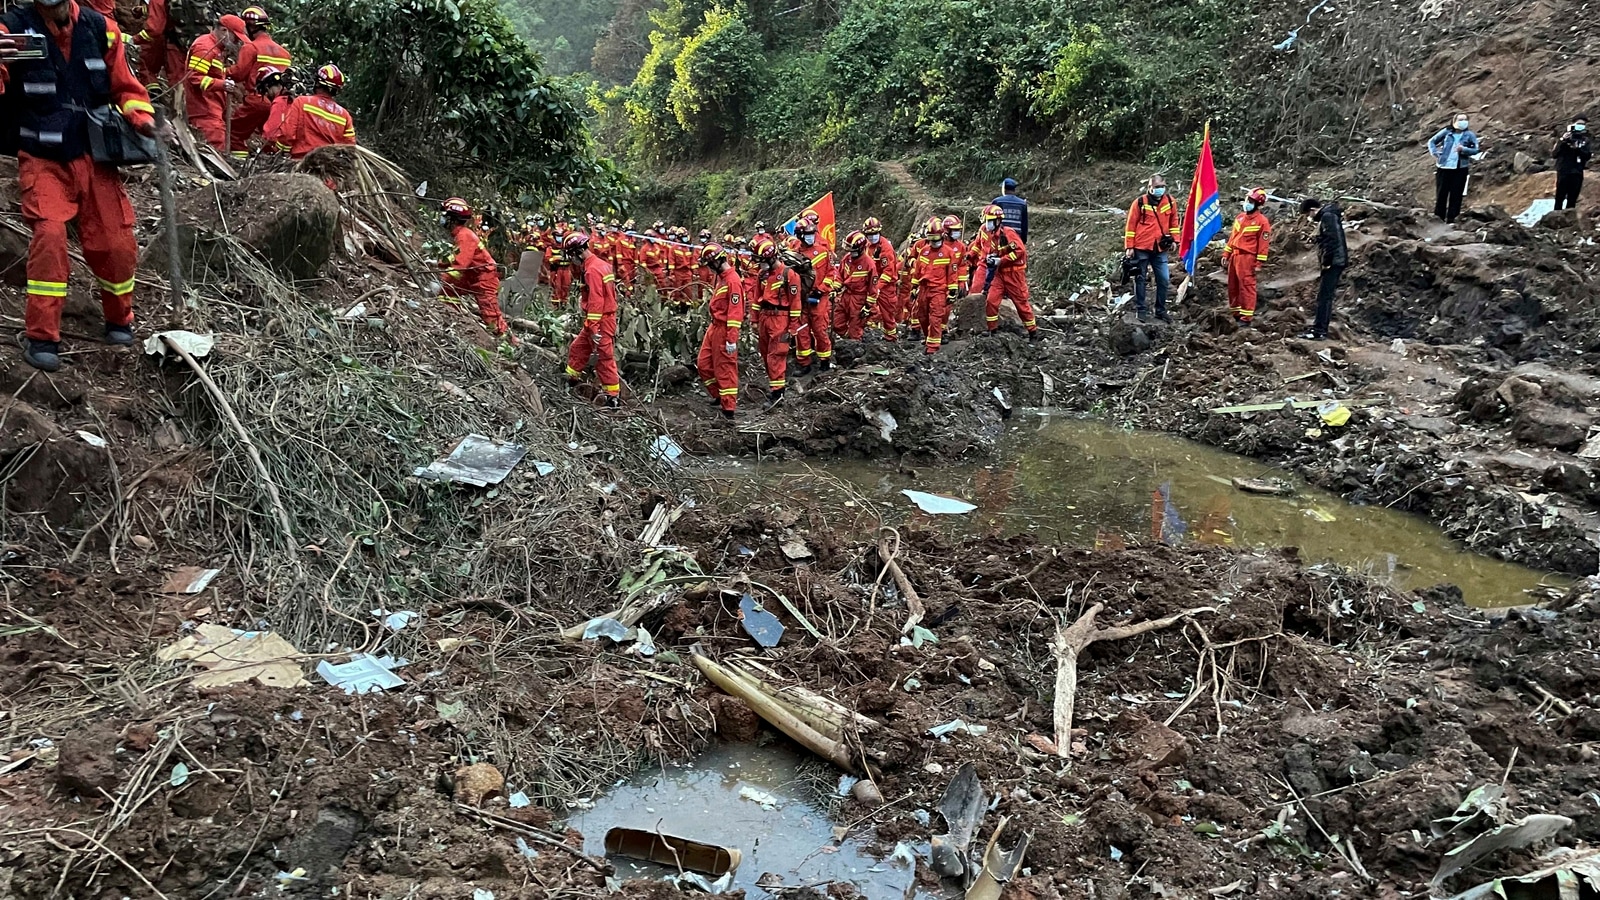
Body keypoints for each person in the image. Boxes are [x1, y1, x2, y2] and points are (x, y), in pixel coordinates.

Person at [1, 0, 165, 372]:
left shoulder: (101, 28)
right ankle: (42, 336)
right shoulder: (10, 29)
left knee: (116, 242)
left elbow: (127, 88)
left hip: (95, 155)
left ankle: (120, 318)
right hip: (42, 156)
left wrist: (144, 121)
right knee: (50, 235)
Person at [438, 198, 513, 342]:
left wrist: (442, 280)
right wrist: (440, 263)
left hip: (484, 278)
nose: (442, 218)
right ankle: (451, 318)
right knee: (448, 291)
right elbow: (456, 257)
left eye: (445, 215)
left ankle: (508, 344)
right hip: (473, 276)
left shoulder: (465, 235)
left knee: (490, 315)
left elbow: (459, 266)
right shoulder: (460, 234)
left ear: (452, 218)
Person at [563, 231, 621, 405]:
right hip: (597, 321)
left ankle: (613, 398)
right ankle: (571, 381)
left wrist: (594, 328)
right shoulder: (600, 264)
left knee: (604, 360)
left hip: (600, 321)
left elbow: (597, 300)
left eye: (571, 256)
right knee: (577, 349)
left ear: (576, 253)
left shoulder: (592, 271)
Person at [225, 6, 290, 159]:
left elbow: (239, 73)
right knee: (270, 139)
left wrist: (222, 71)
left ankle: (238, 165)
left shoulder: (251, 48)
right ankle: (270, 169)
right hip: (278, 104)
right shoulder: (284, 53)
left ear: (251, 26)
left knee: (234, 134)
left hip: (257, 100)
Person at [971, 204, 1041, 340]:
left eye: (989, 221)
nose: (986, 224)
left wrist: (1001, 260)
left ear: (997, 221)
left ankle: (1033, 332)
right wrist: (992, 258)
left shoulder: (1008, 233)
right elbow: (989, 249)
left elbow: (1020, 252)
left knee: (1021, 303)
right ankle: (993, 330)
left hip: (1013, 274)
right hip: (999, 273)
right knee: (991, 301)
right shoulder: (990, 234)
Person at [695, 243, 745, 419]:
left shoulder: (733, 281)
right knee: (703, 364)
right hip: (714, 327)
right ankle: (719, 395)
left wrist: (731, 338)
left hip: (724, 330)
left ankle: (729, 408)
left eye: (710, 264)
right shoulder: (721, 277)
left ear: (717, 262)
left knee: (725, 368)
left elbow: (735, 312)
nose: (709, 268)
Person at [1122, 175, 1180, 323]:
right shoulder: (1140, 203)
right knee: (1140, 279)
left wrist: (1175, 239)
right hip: (1141, 246)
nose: (1160, 189)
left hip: (1160, 248)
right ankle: (1141, 310)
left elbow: (1174, 221)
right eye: (1157, 187)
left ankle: (1160, 310)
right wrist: (1129, 246)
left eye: (1163, 186)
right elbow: (1131, 225)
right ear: (1150, 188)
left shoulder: (1170, 201)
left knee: (1164, 279)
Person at [751, 237, 801, 407]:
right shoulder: (762, 274)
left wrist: (793, 326)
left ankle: (778, 394)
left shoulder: (789, 275)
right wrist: (754, 319)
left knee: (776, 355)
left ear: (772, 258)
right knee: (766, 354)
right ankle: (775, 387)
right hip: (765, 317)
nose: (760, 264)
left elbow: (795, 303)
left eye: (762, 261)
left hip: (781, 318)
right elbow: (756, 298)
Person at [184, 15, 245, 152]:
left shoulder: (217, 49)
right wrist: (221, 85)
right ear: (224, 30)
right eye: (235, 38)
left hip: (212, 109)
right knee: (214, 149)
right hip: (204, 110)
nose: (237, 43)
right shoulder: (205, 47)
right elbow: (194, 77)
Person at [788, 212, 838, 372]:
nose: (811, 237)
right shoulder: (793, 252)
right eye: (807, 234)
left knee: (819, 329)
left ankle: (825, 360)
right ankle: (804, 363)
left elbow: (831, 274)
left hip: (819, 299)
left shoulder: (822, 251)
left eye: (812, 233)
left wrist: (820, 291)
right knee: (801, 331)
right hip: (801, 299)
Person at [273, 64, 356, 159]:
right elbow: (350, 147)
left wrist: (280, 150)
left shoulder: (301, 102)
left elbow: (287, 134)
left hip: (301, 163)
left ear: (317, 83)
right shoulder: (344, 115)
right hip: (330, 167)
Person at [910, 219, 963, 354]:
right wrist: (914, 287)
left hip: (938, 290)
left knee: (935, 317)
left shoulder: (949, 253)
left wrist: (952, 291)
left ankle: (933, 347)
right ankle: (929, 338)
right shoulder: (924, 251)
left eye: (936, 239)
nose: (933, 243)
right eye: (931, 240)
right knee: (921, 316)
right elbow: (917, 272)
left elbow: (952, 273)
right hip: (923, 289)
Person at [1299, 197, 1347, 341]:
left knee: (1324, 297)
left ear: (1313, 210)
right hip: (1336, 261)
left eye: (1308, 214)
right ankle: (1319, 328)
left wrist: (1327, 261)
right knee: (1325, 296)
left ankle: (1319, 331)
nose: (1309, 218)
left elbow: (1332, 240)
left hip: (1334, 262)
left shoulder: (1327, 216)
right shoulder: (1329, 215)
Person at [1222, 188, 1272, 326]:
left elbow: (1263, 244)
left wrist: (1259, 263)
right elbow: (1233, 237)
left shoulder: (1262, 222)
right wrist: (1226, 253)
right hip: (1235, 256)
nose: (1247, 203)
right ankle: (1236, 313)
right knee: (1233, 286)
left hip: (1247, 258)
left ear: (1257, 204)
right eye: (1246, 200)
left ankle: (1246, 317)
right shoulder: (1240, 217)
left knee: (1247, 287)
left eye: (1250, 201)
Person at [1428, 113, 1480, 223]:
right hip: (1444, 167)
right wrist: (1435, 153)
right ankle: (1438, 219)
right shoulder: (1447, 132)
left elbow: (1476, 150)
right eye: (1460, 119)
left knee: (1456, 195)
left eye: (1465, 120)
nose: (1463, 122)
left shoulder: (1469, 135)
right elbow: (1432, 141)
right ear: (1454, 121)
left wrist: (1464, 149)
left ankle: (1452, 220)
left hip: (1460, 168)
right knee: (1441, 194)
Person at [832, 230, 879, 340]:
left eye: (852, 250)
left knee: (855, 330)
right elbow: (840, 274)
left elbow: (873, 288)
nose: (850, 252)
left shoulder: (869, 264)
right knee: (836, 323)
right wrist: (835, 288)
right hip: (846, 296)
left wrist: (868, 306)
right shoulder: (847, 258)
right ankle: (847, 339)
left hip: (859, 300)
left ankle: (855, 349)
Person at [862, 217, 900, 341]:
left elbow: (888, 272)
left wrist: (877, 287)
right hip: (870, 284)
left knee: (887, 313)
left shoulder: (885, 248)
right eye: (869, 234)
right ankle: (868, 334)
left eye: (874, 233)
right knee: (866, 309)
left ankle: (891, 337)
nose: (872, 236)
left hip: (886, 286)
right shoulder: (867, 245)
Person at [1553, 115, 1591, 211]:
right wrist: (1563, 140)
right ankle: (1556, 218)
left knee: (1572, 199)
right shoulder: (1565, 137)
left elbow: (1587, 156)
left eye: (1583, 125)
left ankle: (1570, 219)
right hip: (1564, 171)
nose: (1581, 127)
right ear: (1573, 124)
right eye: (1578, 124)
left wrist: (1577, 149)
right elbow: (1554, 154)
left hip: (1577, 172)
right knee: (1559, 198)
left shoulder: (1585, 140)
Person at [993, 177, 1029, 245]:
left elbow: (992, 222)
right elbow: (1024, 225)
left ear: (1004, 188)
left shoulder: (997, 202)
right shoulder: (1022, 204)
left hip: (1000, 239)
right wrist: (1023, 241)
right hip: (1016, 240)